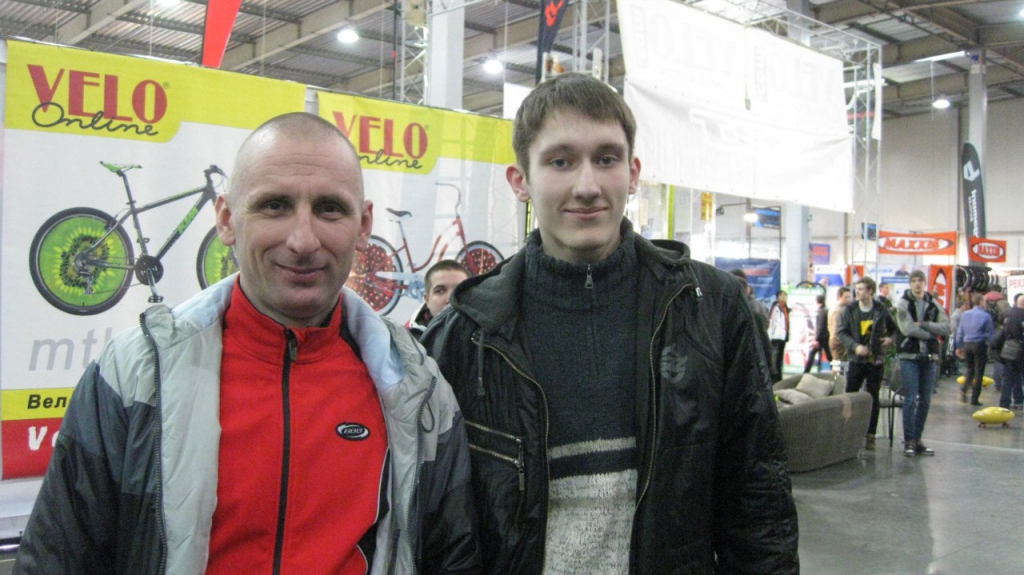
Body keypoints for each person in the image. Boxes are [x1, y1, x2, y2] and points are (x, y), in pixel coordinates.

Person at [14, 113, 479, 575]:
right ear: (226, 220)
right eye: (274, 206)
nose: (303, 240)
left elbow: (452, 561)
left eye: (329, 209)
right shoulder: (134, 374)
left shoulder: (419, 391)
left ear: (363, 226)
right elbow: (57, 560)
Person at [420, 73, 798, 574]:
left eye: (606, 159)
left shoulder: (711, 308)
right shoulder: (465, 335)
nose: (587, 186)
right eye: (560, 161)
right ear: (521, 181)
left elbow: (758, 499)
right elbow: (442, 531)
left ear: (633, 172)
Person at [837, 276, 897, 451]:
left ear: (870, 291)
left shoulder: (881, 309)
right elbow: (841, 332)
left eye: (861, 289)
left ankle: (870, 434)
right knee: (851, 395)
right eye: (856, 289)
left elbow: (894, 330)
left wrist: (890, 340)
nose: (858, 292)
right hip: (856, 360)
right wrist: (854, 346)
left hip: (875, 360)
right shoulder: (849, 310)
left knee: (872, 396)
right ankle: (848, 432)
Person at [895, 269, 950, 457]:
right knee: (910, 399)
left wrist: (925, 325)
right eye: (914, 280)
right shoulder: (903, 304)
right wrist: (931, 335)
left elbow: (946, 326)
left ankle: (917, 439)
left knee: (925, 400)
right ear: (910, 283)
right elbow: (908, 329)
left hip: (930, 358)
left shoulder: (933, 303)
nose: (917, 283)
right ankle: (909, 440)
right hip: (909, 357)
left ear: (925, 283)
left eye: (920, 280)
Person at [406, 259, 470, 336]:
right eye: (439, 291)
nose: (450, 300)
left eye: (459, 290)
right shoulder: (406, 339)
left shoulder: (483, 331)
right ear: (427, 300)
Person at [954, 293, 994, 405]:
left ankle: (964, 389)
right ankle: (974, 398)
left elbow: (960, 331)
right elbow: (990, 334)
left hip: (967, 343)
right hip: (979, 344)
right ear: (981, 302)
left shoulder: (965, 314)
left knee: (969, 369)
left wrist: (959, 346)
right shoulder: (986, 316)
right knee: (979, 372)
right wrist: (992, 346)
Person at [998, 293, 1024, 410]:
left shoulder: (1009, 314)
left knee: (1008, 378)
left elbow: (1003, 332)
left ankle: (1004, 403)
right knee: (1018, 375)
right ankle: (1018, 400)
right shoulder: (1022, 316)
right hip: (1020, 350)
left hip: (1008, 348)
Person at [804, 294, 832, 373]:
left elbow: (820, 326)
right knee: (829, 356)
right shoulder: (826, 310)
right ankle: (834, 370)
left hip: (821, 338)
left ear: (817, 301)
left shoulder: (821, 311)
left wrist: (816, 339)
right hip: (826, 337)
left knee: (812, 354)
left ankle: (806, 372)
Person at [768, 290, 791, 381]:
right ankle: (773, 375)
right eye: (782, 295)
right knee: (775, 356)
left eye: (785, 295)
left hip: (783, 336)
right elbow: (771, 321)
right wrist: (770, 335)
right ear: (778, 297)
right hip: (776, 336)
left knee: (780, 357)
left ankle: (779, 375)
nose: (784, 297)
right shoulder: (776, 307)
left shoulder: (786, 308)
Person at [828, 286, 853, 365]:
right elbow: (836, 329)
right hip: (839, 342)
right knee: (838, 365)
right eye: (846, 297)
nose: (849, 299)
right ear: (839, 297)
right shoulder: (839, 311)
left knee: (840, 365)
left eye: (849, 297)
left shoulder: (838, 309)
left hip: (837, 341)